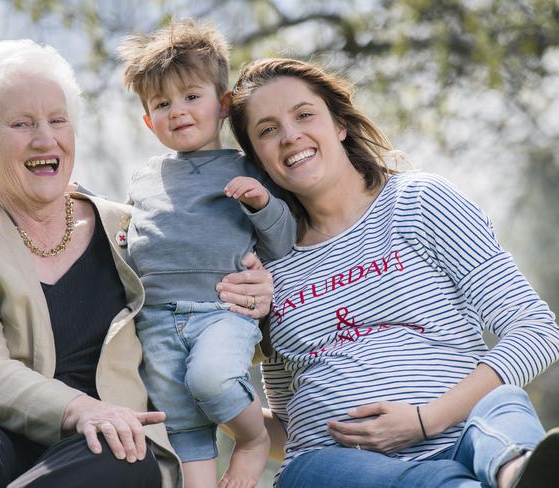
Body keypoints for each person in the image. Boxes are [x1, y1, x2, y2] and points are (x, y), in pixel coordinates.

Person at [0, 39, 275, 488]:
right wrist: (79, 408)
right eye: (21, 123)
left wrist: (255, 292)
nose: (45, 138)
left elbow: (196, 309)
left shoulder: (133, 228)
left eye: (57, 120)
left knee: (122, 453)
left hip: (103, 444)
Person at [227, 57, 559, 488]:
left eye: (304, 115)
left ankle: (518, 473)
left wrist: (424, 421)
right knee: (306, 472)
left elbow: (535, 330)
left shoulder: (419, 202)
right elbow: (292, 423)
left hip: (466, 443)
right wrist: (209, 398)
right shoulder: (266, 264)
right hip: (343, 466)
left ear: (339, 125)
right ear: (258, 158)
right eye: (267, 130)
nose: (290, 136)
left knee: (503, 405)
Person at [117, 19, 296, 488]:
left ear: (223, 104)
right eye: (162, 104)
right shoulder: (145, 176)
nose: (177, 111)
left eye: (191, 97)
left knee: (212, 380)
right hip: (155, 317)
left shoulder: (246, 168)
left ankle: (254, 439)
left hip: (221, 310)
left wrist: (261, 203)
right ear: (147, 120)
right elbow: (132, 234)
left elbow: (282, 242)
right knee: (179, 414)